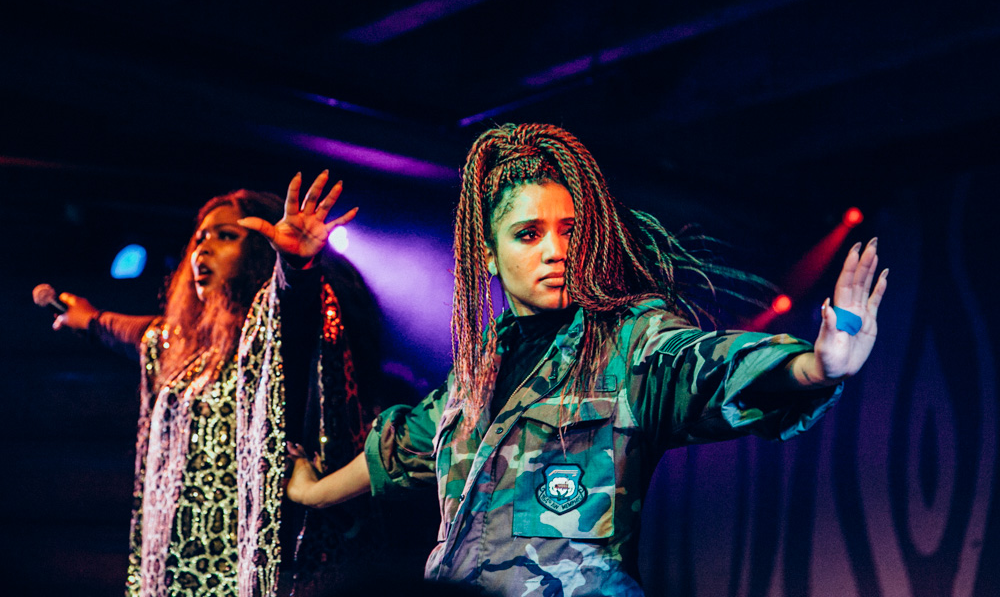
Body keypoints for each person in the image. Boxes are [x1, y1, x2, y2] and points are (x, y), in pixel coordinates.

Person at [279, 124, 888, 597]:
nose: (556, 251)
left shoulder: (628, 343)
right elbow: (399, 449)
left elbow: (705, 363)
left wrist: (816, 367)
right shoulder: (473, 378)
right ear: (487, 255)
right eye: (528, 234)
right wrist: (311, 493)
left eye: (569, 229)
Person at [48, 185, 389, 596]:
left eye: (225, 236)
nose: (203, 249)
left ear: (262, 251)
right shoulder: (184, 347)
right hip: (172, 575)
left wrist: (296, 266)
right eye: (200, 238)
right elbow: (138, 333)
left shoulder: (269, 337)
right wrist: (91, 319)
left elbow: (291, 308)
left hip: (240, 576)